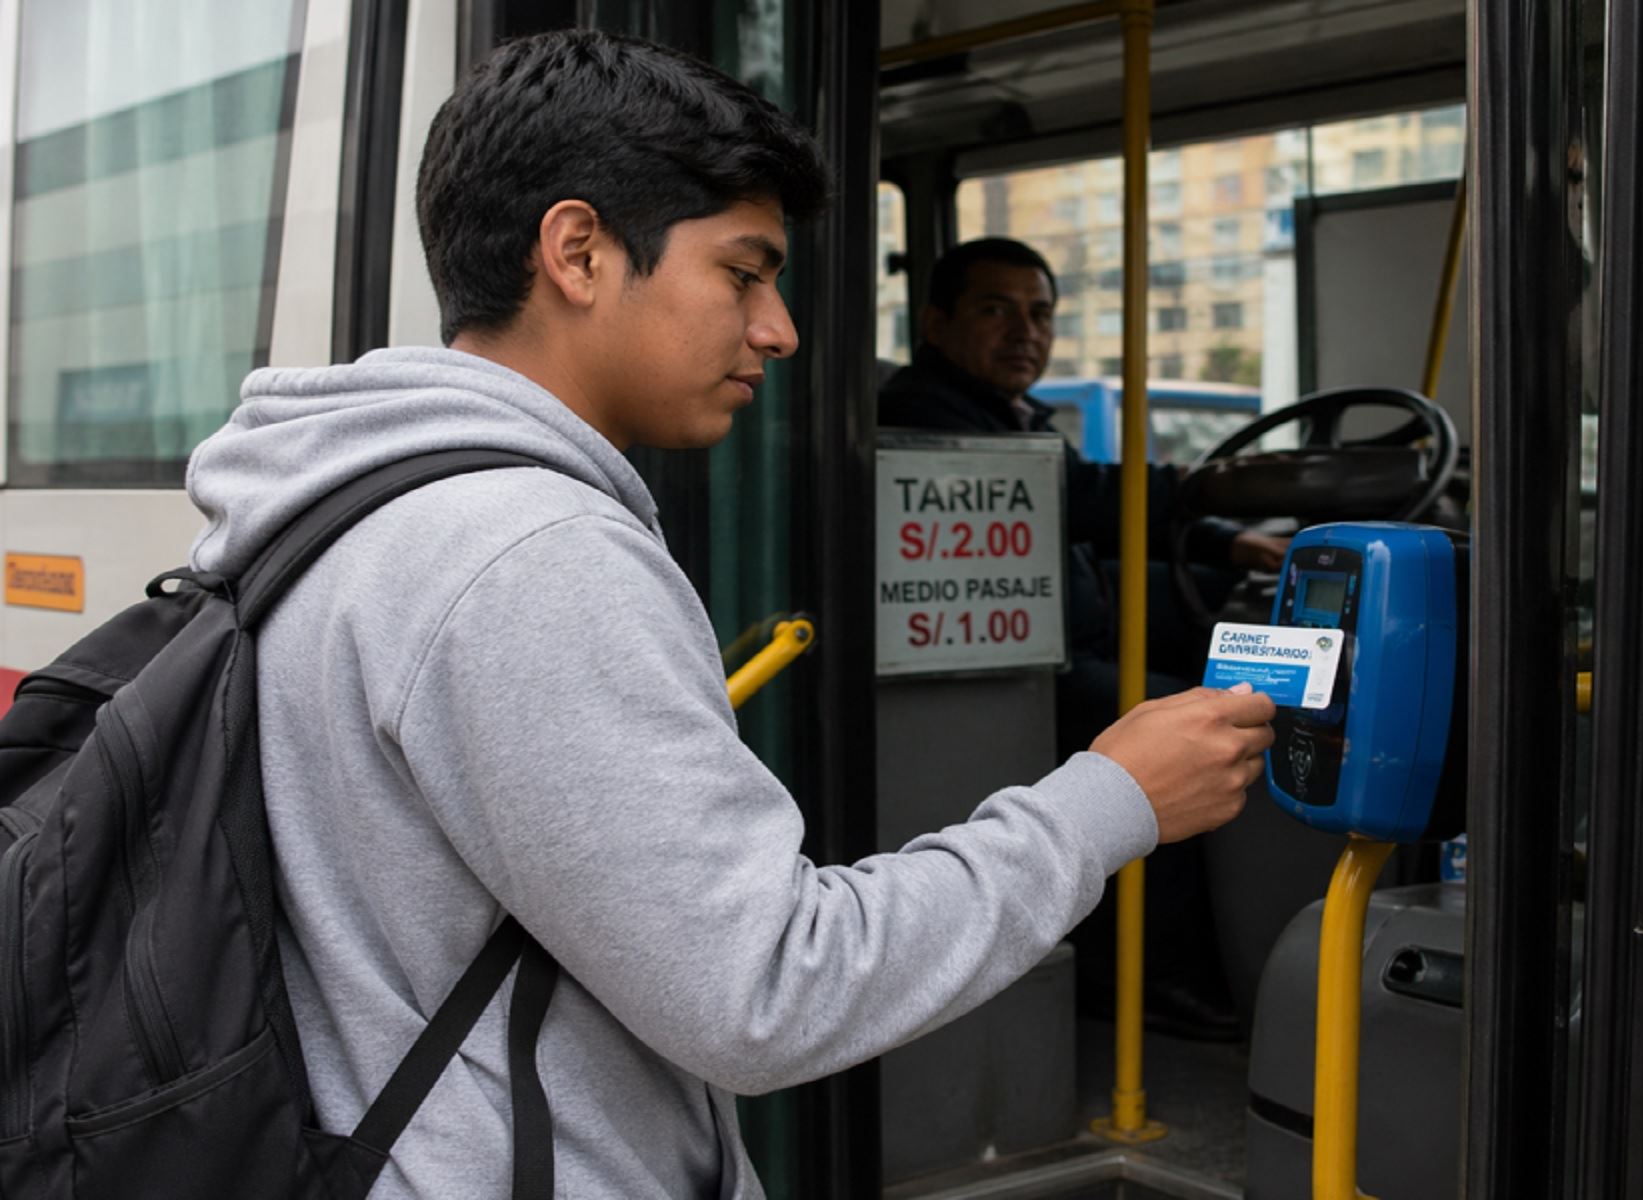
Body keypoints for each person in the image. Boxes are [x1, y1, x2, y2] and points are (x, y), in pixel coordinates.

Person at [184, 31, 1275, 1199]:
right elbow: (767, 986)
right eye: (744, 273)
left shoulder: (353, 495)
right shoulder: (534, 556)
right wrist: (1108, 801)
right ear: (579, 252)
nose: (781, 329)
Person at [879, 240, 1287, 1039]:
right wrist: (1214, 496)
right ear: (936, 322)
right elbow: (1090, 495)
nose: (1024, 331)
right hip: (1004, 676)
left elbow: (1091, 528)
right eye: (995, 310)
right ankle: (1150, 976)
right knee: (1190, 731)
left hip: (1061, 649)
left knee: (1206, 684)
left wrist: (1227, 545)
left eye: (1039, 313)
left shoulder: (1003, 414)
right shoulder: (929, 413)